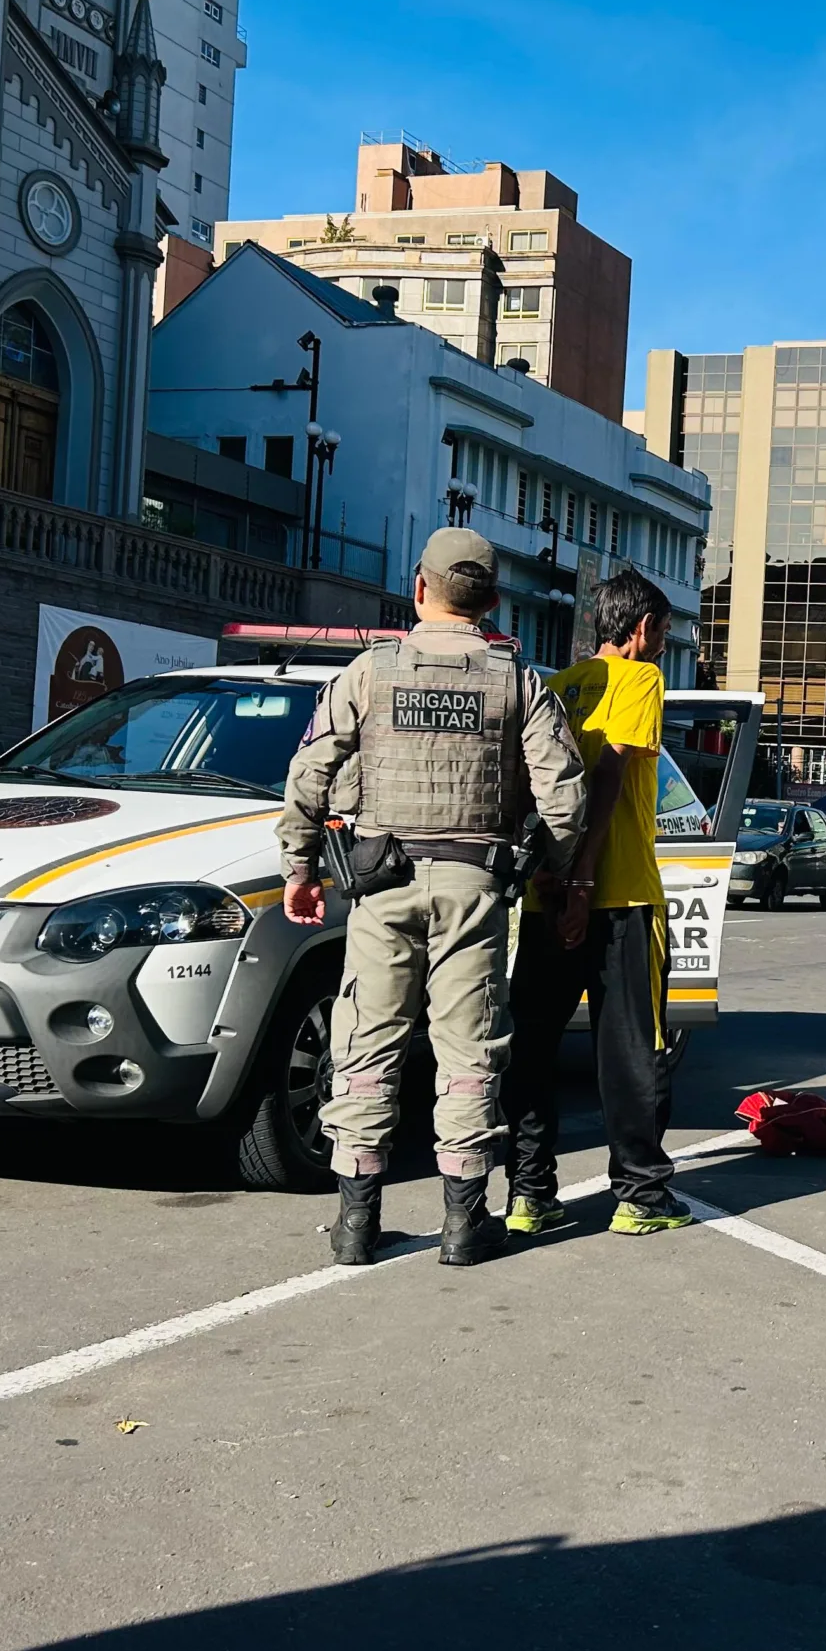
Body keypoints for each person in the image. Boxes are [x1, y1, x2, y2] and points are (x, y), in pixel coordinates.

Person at [278, 528, 588, 1267]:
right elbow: (566, 800)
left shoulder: (370, 672)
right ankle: (461, 1225)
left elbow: (308, 776)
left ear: (421, 588)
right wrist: (538, 865)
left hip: (381, 881)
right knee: (468, 1048)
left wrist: (299, 869)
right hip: (474, 885)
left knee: (365, 1042)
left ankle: (355, 1226)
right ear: (492, 601)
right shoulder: (518, 681)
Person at [502, 568, 693, 1238]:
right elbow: (611, 771)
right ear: (640, 631)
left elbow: (528, 785)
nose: (663, 647)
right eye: (664, 635)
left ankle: (529, 1193)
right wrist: (585, 877)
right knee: (631, 1049)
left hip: (543, 894)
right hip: (618, 894)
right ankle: (641, 1193)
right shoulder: (640, 680)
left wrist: (552, 876)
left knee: (532, 1045)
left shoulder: (555, 687)